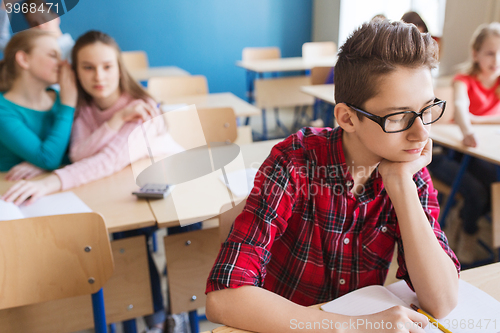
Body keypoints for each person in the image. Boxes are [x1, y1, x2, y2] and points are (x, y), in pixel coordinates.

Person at [205, 20, 460, 333]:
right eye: (399, 117)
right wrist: (354, 327)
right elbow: (223, 299)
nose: (421, 133)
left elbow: (442, 301)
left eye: (427, 110)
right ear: (347, 118)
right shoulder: (296, 162)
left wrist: (400, 184)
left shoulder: (408, 169)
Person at [1, 30, 183, 332]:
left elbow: (107, 159)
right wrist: (113, 121)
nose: (98, 76)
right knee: (124, 248)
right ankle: (135, 317)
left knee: (137, 245)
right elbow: (77, 152)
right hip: (125, 192)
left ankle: (162, 321)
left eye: (107, 66)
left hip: (170, 192)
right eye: (87, 67)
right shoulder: (84, 108)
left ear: (119, 68)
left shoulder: (141, 106)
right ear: (73, 71)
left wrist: (49, 182)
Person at [428, 22, 500, 264]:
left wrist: (477, 120)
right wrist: (468, 127)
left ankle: (466, 222)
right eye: (490, 52)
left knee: (495, 187)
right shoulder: (464, 79)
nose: (496, 59)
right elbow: (459, 108)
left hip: (483, 156)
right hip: (450, 155)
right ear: (475, 53)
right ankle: (468, 232)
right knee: (479, 192)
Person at [0, 29, 75, 177]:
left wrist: (39, 165)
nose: (61, 64)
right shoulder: (3, 110)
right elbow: (48, 159)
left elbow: (76, 152)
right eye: (53, 55)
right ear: (24, 59)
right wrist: (68, 106)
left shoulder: (61, 97)